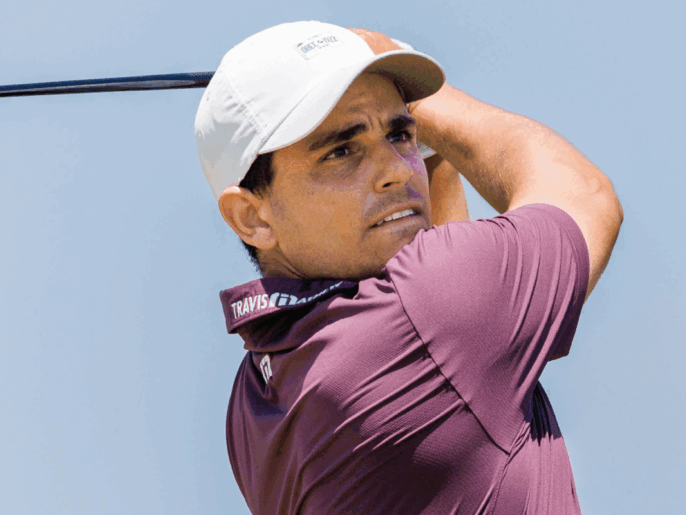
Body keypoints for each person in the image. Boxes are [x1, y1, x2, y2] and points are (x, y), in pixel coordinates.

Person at [194, 20, 623, 515]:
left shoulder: (255, 398)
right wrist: (424, 96)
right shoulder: (429, 316)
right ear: (252, 217)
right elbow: (584, 194)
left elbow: (438, 264)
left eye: (401, 135)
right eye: (342, 151)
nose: (398, 170)